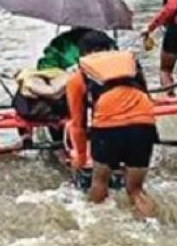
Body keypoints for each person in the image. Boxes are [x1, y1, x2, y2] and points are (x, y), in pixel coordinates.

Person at [66, 31, 159, 219]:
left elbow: (78, 124)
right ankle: (154, 226)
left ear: (84, 54)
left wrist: (81, 159)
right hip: (144, 126)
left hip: (108, 128)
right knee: (135, 189)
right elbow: (146, 96)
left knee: (99, 183)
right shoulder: (133, 66)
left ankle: (92, 227)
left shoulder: (78, 76)